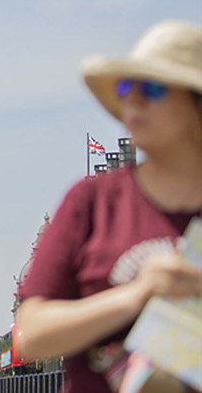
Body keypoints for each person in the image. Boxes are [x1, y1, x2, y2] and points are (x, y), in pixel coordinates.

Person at [15, 20, 202, 393]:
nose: (132, 100)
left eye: (151, 87)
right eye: (125, 87)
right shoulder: (92, 201)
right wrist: (138, 293)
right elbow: (31, 334)